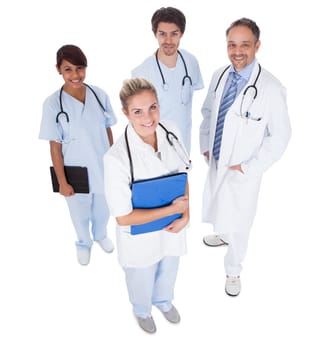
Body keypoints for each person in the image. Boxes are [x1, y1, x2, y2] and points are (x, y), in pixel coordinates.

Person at [199, 18, 291, 296]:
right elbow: (207, 113)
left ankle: (234, 270)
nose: (237, 51)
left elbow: (281, 137)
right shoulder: (219, 75)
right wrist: (206, 144)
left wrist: (251, 167)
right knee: (219, 206)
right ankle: (223, 234)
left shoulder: (271, 88)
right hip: (215, 159)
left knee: (240, 221)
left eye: (245, 45)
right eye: (232, 44)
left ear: (257, 46)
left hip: (243, 170)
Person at [104, 78, 190, 333]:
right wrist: (174, 210)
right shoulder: (116, 159)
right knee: (141, 277)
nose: (148, 118)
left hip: (173, 227)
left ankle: (164, 301)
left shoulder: (171, 130)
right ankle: (142, 310)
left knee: (169, 268)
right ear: (126, 113)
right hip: (139, 236)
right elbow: (122, 217)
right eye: (138, 111)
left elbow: (184, 172)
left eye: (153, 107)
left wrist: (186, 214)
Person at [39, 45, 117, 266]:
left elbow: (108, 128)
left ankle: (100, 235)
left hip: (102, 166)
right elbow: (54, 147)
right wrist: (62, 181)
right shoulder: (53, 104)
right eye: (68, 69)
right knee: (79, 213)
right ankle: (84, 243)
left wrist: (114, 161)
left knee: (104, 208)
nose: (75, 75)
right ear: (59, 70)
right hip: (75, 171)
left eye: (80, 68)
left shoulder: (99, 95)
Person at [131, 6, 204, 154]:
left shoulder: (190, 62)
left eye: (174, 34)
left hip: (183, 146)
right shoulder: (142, 72)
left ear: (181, 34)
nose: (168, 40)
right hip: (154, 148)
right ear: (155, 34)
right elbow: (136, 120)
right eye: (162, 34)